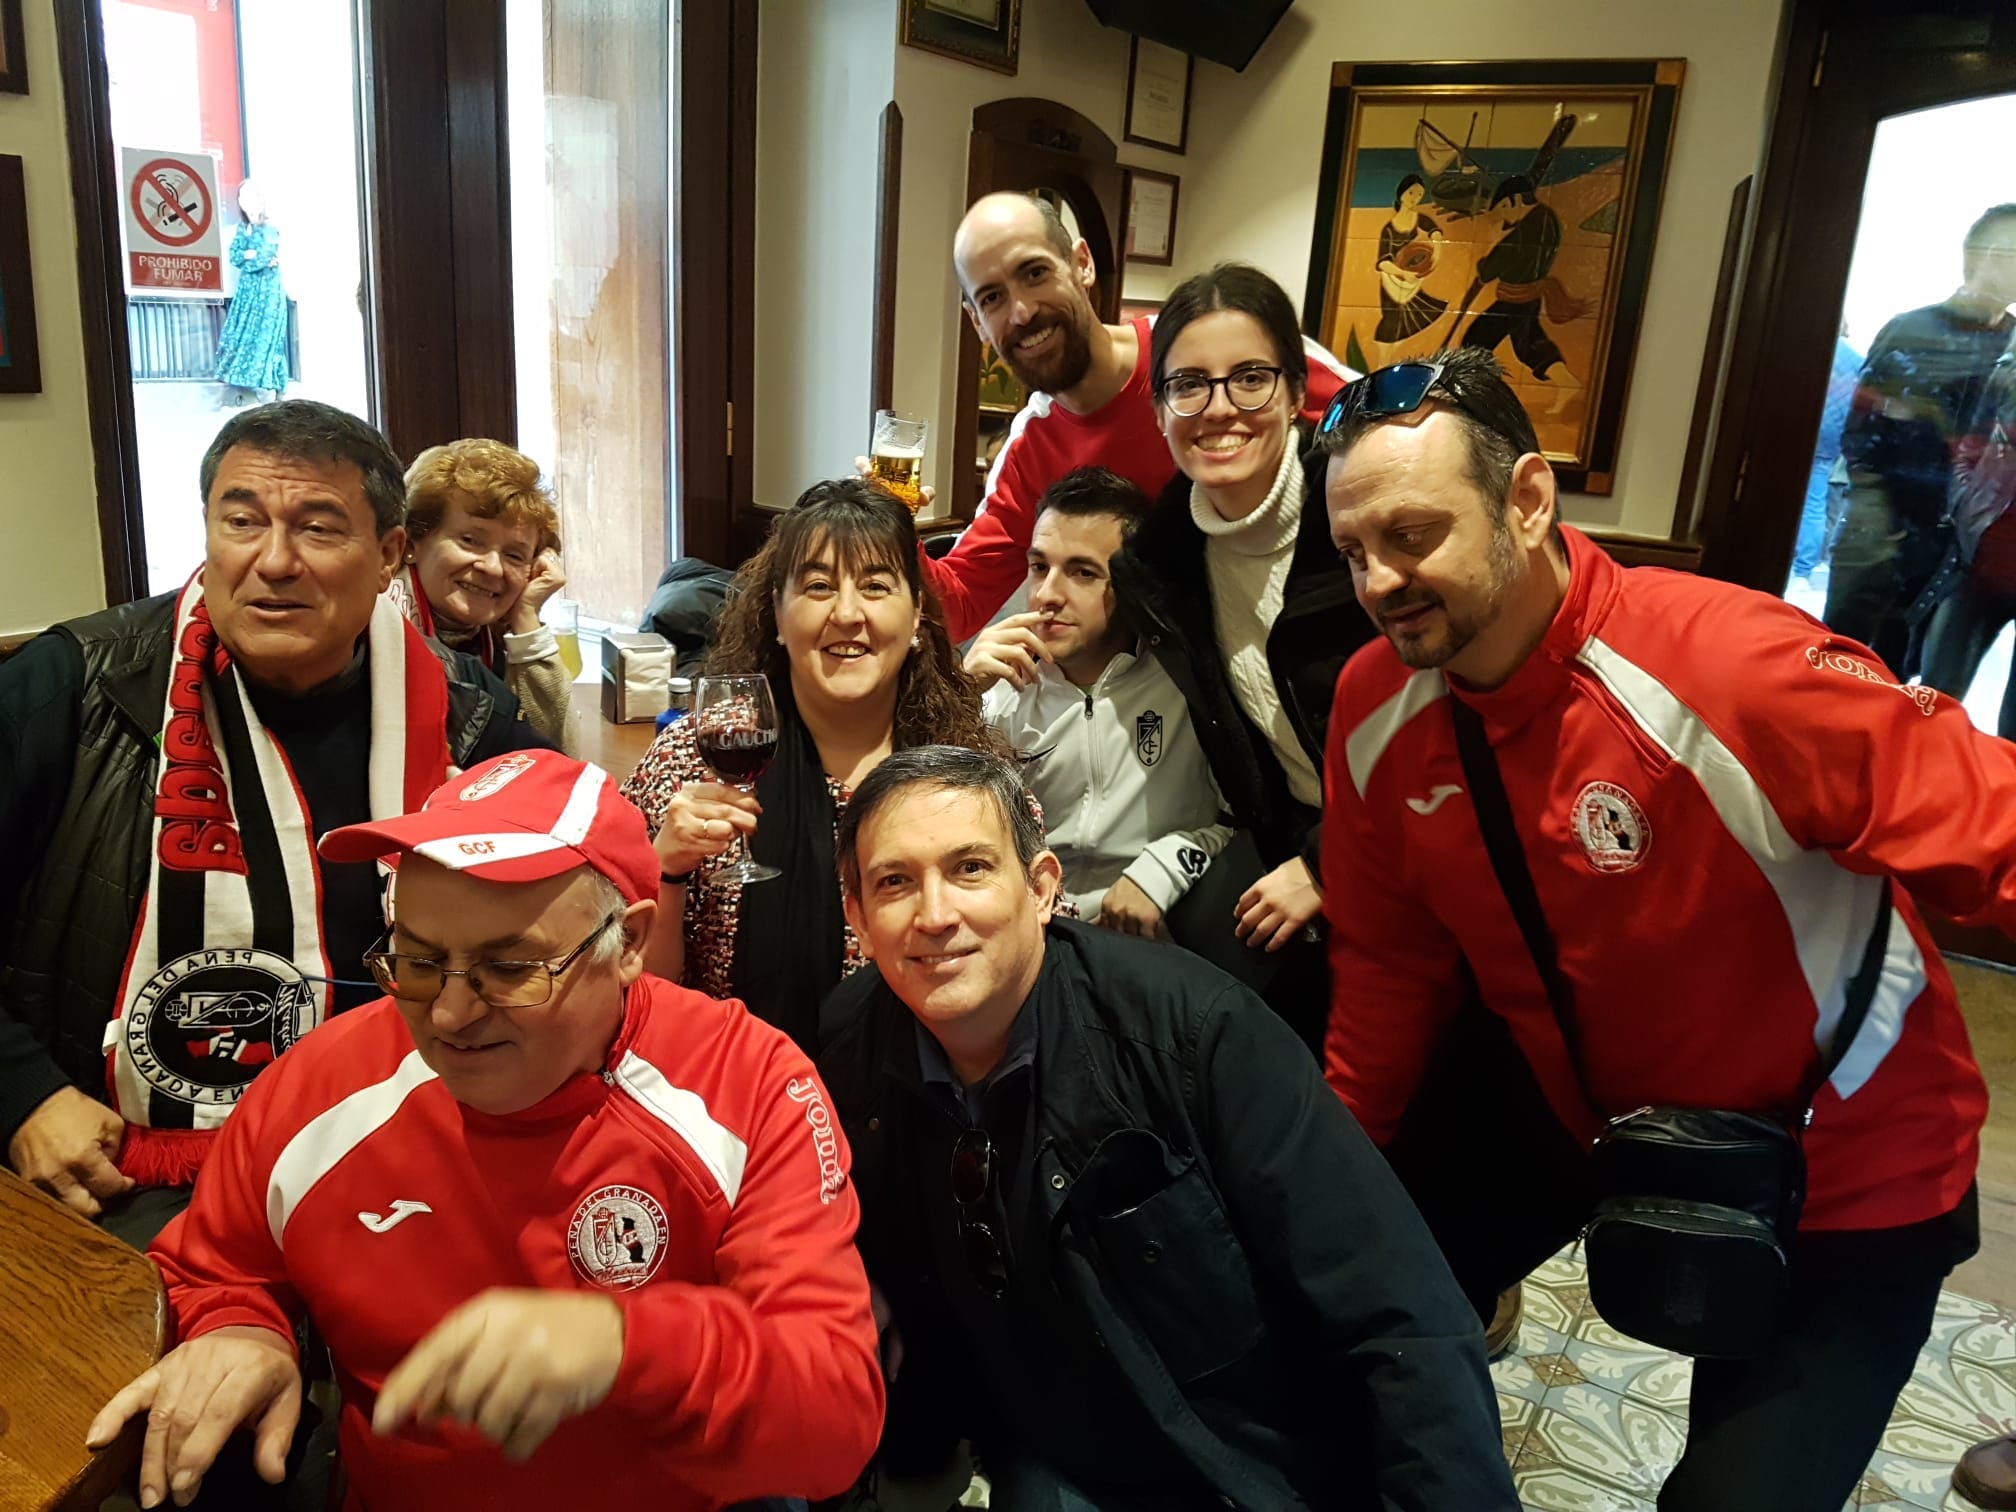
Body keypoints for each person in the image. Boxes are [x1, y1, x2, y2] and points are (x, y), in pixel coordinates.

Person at [1317, 348, 2011, 1511]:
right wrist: (1334, 1173)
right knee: (1333, 1341)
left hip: (1848, 1158)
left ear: (1528, 501)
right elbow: (1389, 966)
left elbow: (1991, 830)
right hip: (1587, 1109)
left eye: (1413, 535)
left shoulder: (1733, 670)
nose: (1381, 580)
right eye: (1352, 552)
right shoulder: (1374, 706)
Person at [87, 749, 883, 1512]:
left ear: (630, 943)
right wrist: (242, 1332)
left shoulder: (746, 1080)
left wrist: (624, 1347)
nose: (450, 1014)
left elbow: (832, 1425)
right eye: (420, 961)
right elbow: (218, 1265)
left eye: (510, 969)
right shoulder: (326, 1081)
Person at [817, 745, 1519, 1512]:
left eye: (971, 868)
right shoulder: (854, 1038)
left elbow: (1402, 1315)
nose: (935, 914)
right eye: (894, 882)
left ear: (1042, 887)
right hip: (1051, 1450)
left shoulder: (1195, 1032)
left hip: (1248, 1460)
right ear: (856, 915)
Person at [0, 400, 548, 1246]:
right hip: (123, 1173)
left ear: (389, 557)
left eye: (320, 528)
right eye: (242, 521)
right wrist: (22, 1092)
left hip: (407, 1140)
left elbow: (557, 917)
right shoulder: (75, 688)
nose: (274, 561)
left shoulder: (470, 717)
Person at [619, 478, 1000, 1055]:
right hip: (727, 1099)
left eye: (876, 586)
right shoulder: (691, 764)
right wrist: (666, 871)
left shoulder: (969, 779)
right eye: (818, 586)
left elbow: (1019, 961)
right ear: (776, 612)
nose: (847, 613)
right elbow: (633, 989)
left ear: (918, 613)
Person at [1115, 262, 1379, 1049]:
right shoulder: (1159, 562)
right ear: (1161, 408)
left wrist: (1329, 863)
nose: (1219, 408)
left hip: (1405, 849)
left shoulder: (1360, 524)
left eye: (1250, 379)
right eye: (1189, 384)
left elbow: (1442, 723)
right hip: (1284, 849)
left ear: (1299, 394)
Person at [918, 192, 1349, 640]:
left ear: (1081, 263)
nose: (1022, 311)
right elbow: (960, 605)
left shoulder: (1204, 350)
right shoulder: (1032, 448)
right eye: (992, 298)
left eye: (1035, 273)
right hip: (1174, 693)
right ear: (976, 322)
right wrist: (887, 529)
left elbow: (1387, 425)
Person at [963, 466, 1230, 933]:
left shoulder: (1189, 682)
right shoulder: (995, 688)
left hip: (1164, 936)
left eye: (1082, 573)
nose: (1046, 595)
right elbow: (942, 832)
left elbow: (1241, 823)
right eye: (1039, 567)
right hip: (1030, 940)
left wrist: (1162, 870)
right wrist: (960, 697)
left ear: (1130, 582)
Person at [1823, 204, 2016, 677]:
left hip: (1953, 549)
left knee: (1902, 676)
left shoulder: (2012, 344)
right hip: (1882, 527)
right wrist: (1878, 513)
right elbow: (1863, 431)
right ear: (1986, 254)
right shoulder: (1913, 328)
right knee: (1839, 660)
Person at [390, 438, 576, 751]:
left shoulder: (491, 638)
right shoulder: (373, 632)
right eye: (470, 540)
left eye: (515, 555)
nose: (493, 568)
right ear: (411, 543)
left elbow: (554, 752)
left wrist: (527, 617)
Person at [1920, 335, 2016, 742]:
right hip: (1981, 552)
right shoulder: (2010, 354)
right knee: (1932, 703)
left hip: (1985, 543)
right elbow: (1973, 436)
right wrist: (1965, 500)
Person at [1455, 176, 1590, 384]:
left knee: (1476, 341)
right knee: (1530, 347)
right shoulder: (1542, 219)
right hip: (1526, 297)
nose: (1503, 217)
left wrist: (1492, 250)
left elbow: (1494, 265)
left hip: (1516, 298)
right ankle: (1567, 383)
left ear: (1513, 201)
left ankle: (1481, 392)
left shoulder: (1531, 226)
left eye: (1502, 209)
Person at [1788, 325, 1865, 585]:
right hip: (1828, 442)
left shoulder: (1806, 350)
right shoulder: (1857, 361)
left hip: (1794, 431)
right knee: (1814, 504)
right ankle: (1802, 571)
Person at [213, 179, 290, 404]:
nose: (247, 202)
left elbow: (266, 255)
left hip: (268, 294)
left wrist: (252, 256)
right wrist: (251, 255)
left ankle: (274, 391)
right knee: (241, 336)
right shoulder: (243, 228)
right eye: (242, 197)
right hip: (247, 294)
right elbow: (235, 256)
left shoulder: (270, 227)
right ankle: (251, 390)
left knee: (268, 340)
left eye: (252, 196)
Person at [1373, 173, 1448, 365]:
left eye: (1419, 194)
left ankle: (1391, 363)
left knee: (1415, 314)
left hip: (1411, 278)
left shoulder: (1418, 218)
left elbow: (1435, 231)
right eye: (1411, 192)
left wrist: (1437, 250)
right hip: (1392, 280)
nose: (1415, 198)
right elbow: (1382, 262)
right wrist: (1403, 273)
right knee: (1391, 319)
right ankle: (1382, 362)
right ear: (1401, 194)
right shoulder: (1389, 229)